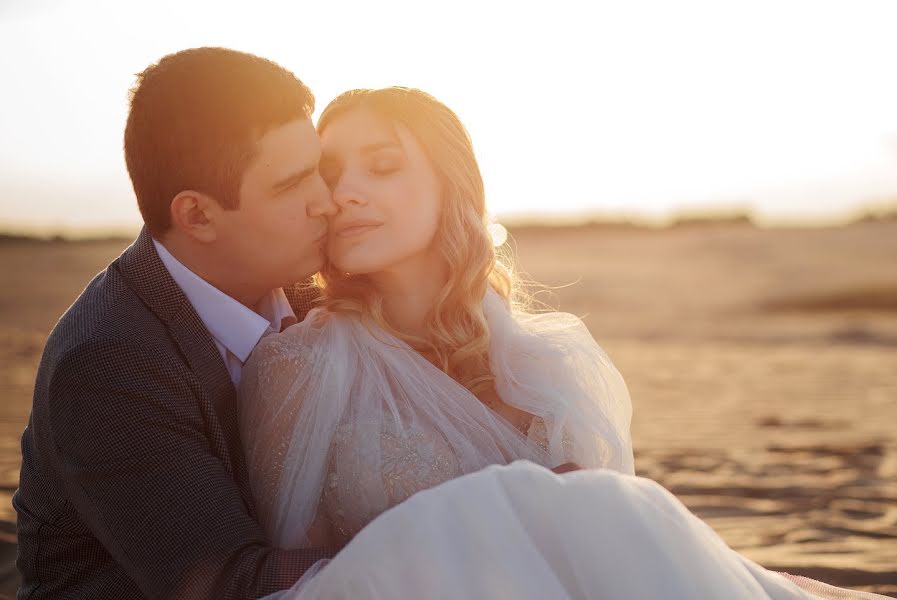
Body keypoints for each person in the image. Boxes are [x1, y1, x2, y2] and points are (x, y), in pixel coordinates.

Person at [240, 87, 888, 599]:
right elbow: (278, 563)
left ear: (450, 185)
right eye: (330, 173)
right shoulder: (301, 362)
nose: (346, 191)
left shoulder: (543, 360)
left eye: (381, 166)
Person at [14, 47, 342, 599]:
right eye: (292, 184)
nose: (327, 201)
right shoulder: (106, 362)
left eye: (321, 170)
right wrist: (432, 546)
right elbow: (229, 583)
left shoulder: (303, 289)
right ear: (197, 215)